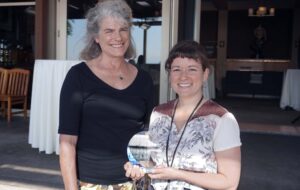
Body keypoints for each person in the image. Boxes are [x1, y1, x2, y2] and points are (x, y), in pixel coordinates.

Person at [58, 0, 154, 189]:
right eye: (109, 31)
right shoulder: (78, 77)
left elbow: (146, 132)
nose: (117, 37)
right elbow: (67, 142)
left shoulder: (144, 79)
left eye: (123, 29)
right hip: (91, 183)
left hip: (134, 182)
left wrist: (140, 164)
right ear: (96, 37)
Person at [126, 40, 242, 190]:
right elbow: (152, 163)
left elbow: (230, 183)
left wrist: (178, 174)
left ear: (205, 74)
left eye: (192, 69)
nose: (183, 76)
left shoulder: (222, 119)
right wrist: (138, 167)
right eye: (176, 70)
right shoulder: (158, 113)